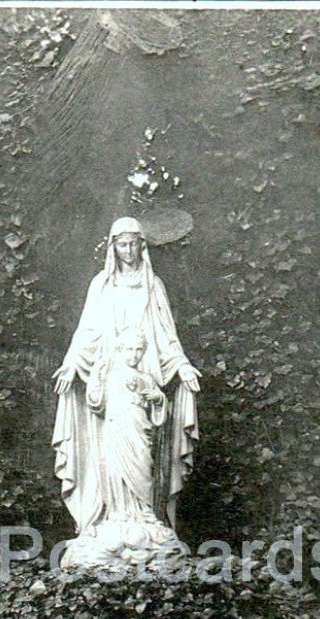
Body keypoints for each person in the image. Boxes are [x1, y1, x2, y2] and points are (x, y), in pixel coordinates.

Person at [52, 217, 200, 548]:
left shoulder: (153, 286)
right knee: (107, 453)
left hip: (144, 377)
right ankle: (111, 519)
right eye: (122, 244)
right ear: (112, 247)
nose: (128, 250)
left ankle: (147, 515)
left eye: (134, 243)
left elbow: (166, 335)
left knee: (143, 451)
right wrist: (73, 363)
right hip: (108, 381)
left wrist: (181, 365)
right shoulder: (101, 285)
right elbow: (87, 331)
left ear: (142, 246)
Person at [86, 328, 166, 526]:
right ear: (120, 350)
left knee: (144, 465)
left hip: (140, 429)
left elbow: (159, 402)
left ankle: (145, 512)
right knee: (116, 470)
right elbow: (96, 402)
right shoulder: (110, 376)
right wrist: (95, 375)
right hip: (117, 429)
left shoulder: (147, 378)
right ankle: (119, 513)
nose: (134, 355)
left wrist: (157, 398)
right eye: (130, 349)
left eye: (139, 350)